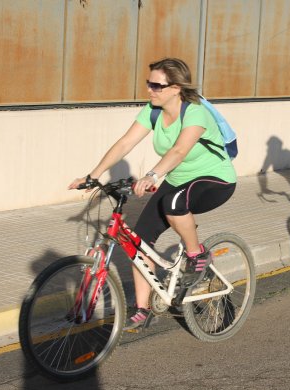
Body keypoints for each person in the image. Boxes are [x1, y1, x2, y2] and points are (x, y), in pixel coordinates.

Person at [69, 58, 236, 329]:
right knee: (140, 240)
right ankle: (143, 308)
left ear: (176, 88)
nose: (150, 90)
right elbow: (125, 143)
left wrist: (152, 175)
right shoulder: (153, 110)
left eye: (157, 85)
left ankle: (197, 254)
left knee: (174, 202)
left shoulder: (194, 112)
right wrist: (93, 175)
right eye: (149, 83)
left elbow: (179, 151)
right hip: (178, 179)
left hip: (215, 180)